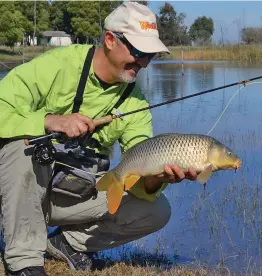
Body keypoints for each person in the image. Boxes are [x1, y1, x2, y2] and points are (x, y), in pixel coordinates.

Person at [0, 2, 197, 275]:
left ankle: (68, 243)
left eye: (150, 56)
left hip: (72, 195)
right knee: (20, 146)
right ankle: (23, 261)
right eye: (139, 52)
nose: (143, 63)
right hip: (20, 190)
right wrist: (47, 121)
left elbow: (138, 168)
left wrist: (155, 179)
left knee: (157, 209)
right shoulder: (57, 65)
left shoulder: (135, 102)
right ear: (109, 40)